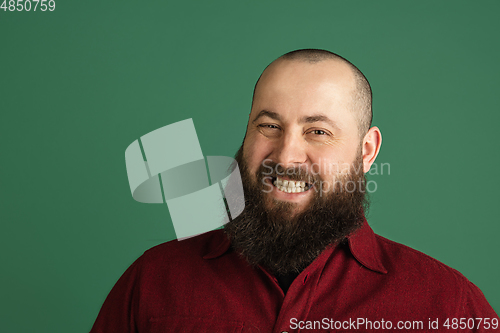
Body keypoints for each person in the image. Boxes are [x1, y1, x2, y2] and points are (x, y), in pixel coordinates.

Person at [91, 49, 499, 332]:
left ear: (367, 151)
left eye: (317, 131)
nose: (286, 155)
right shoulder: (153, 281)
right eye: (269, 126)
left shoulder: (449, 306)